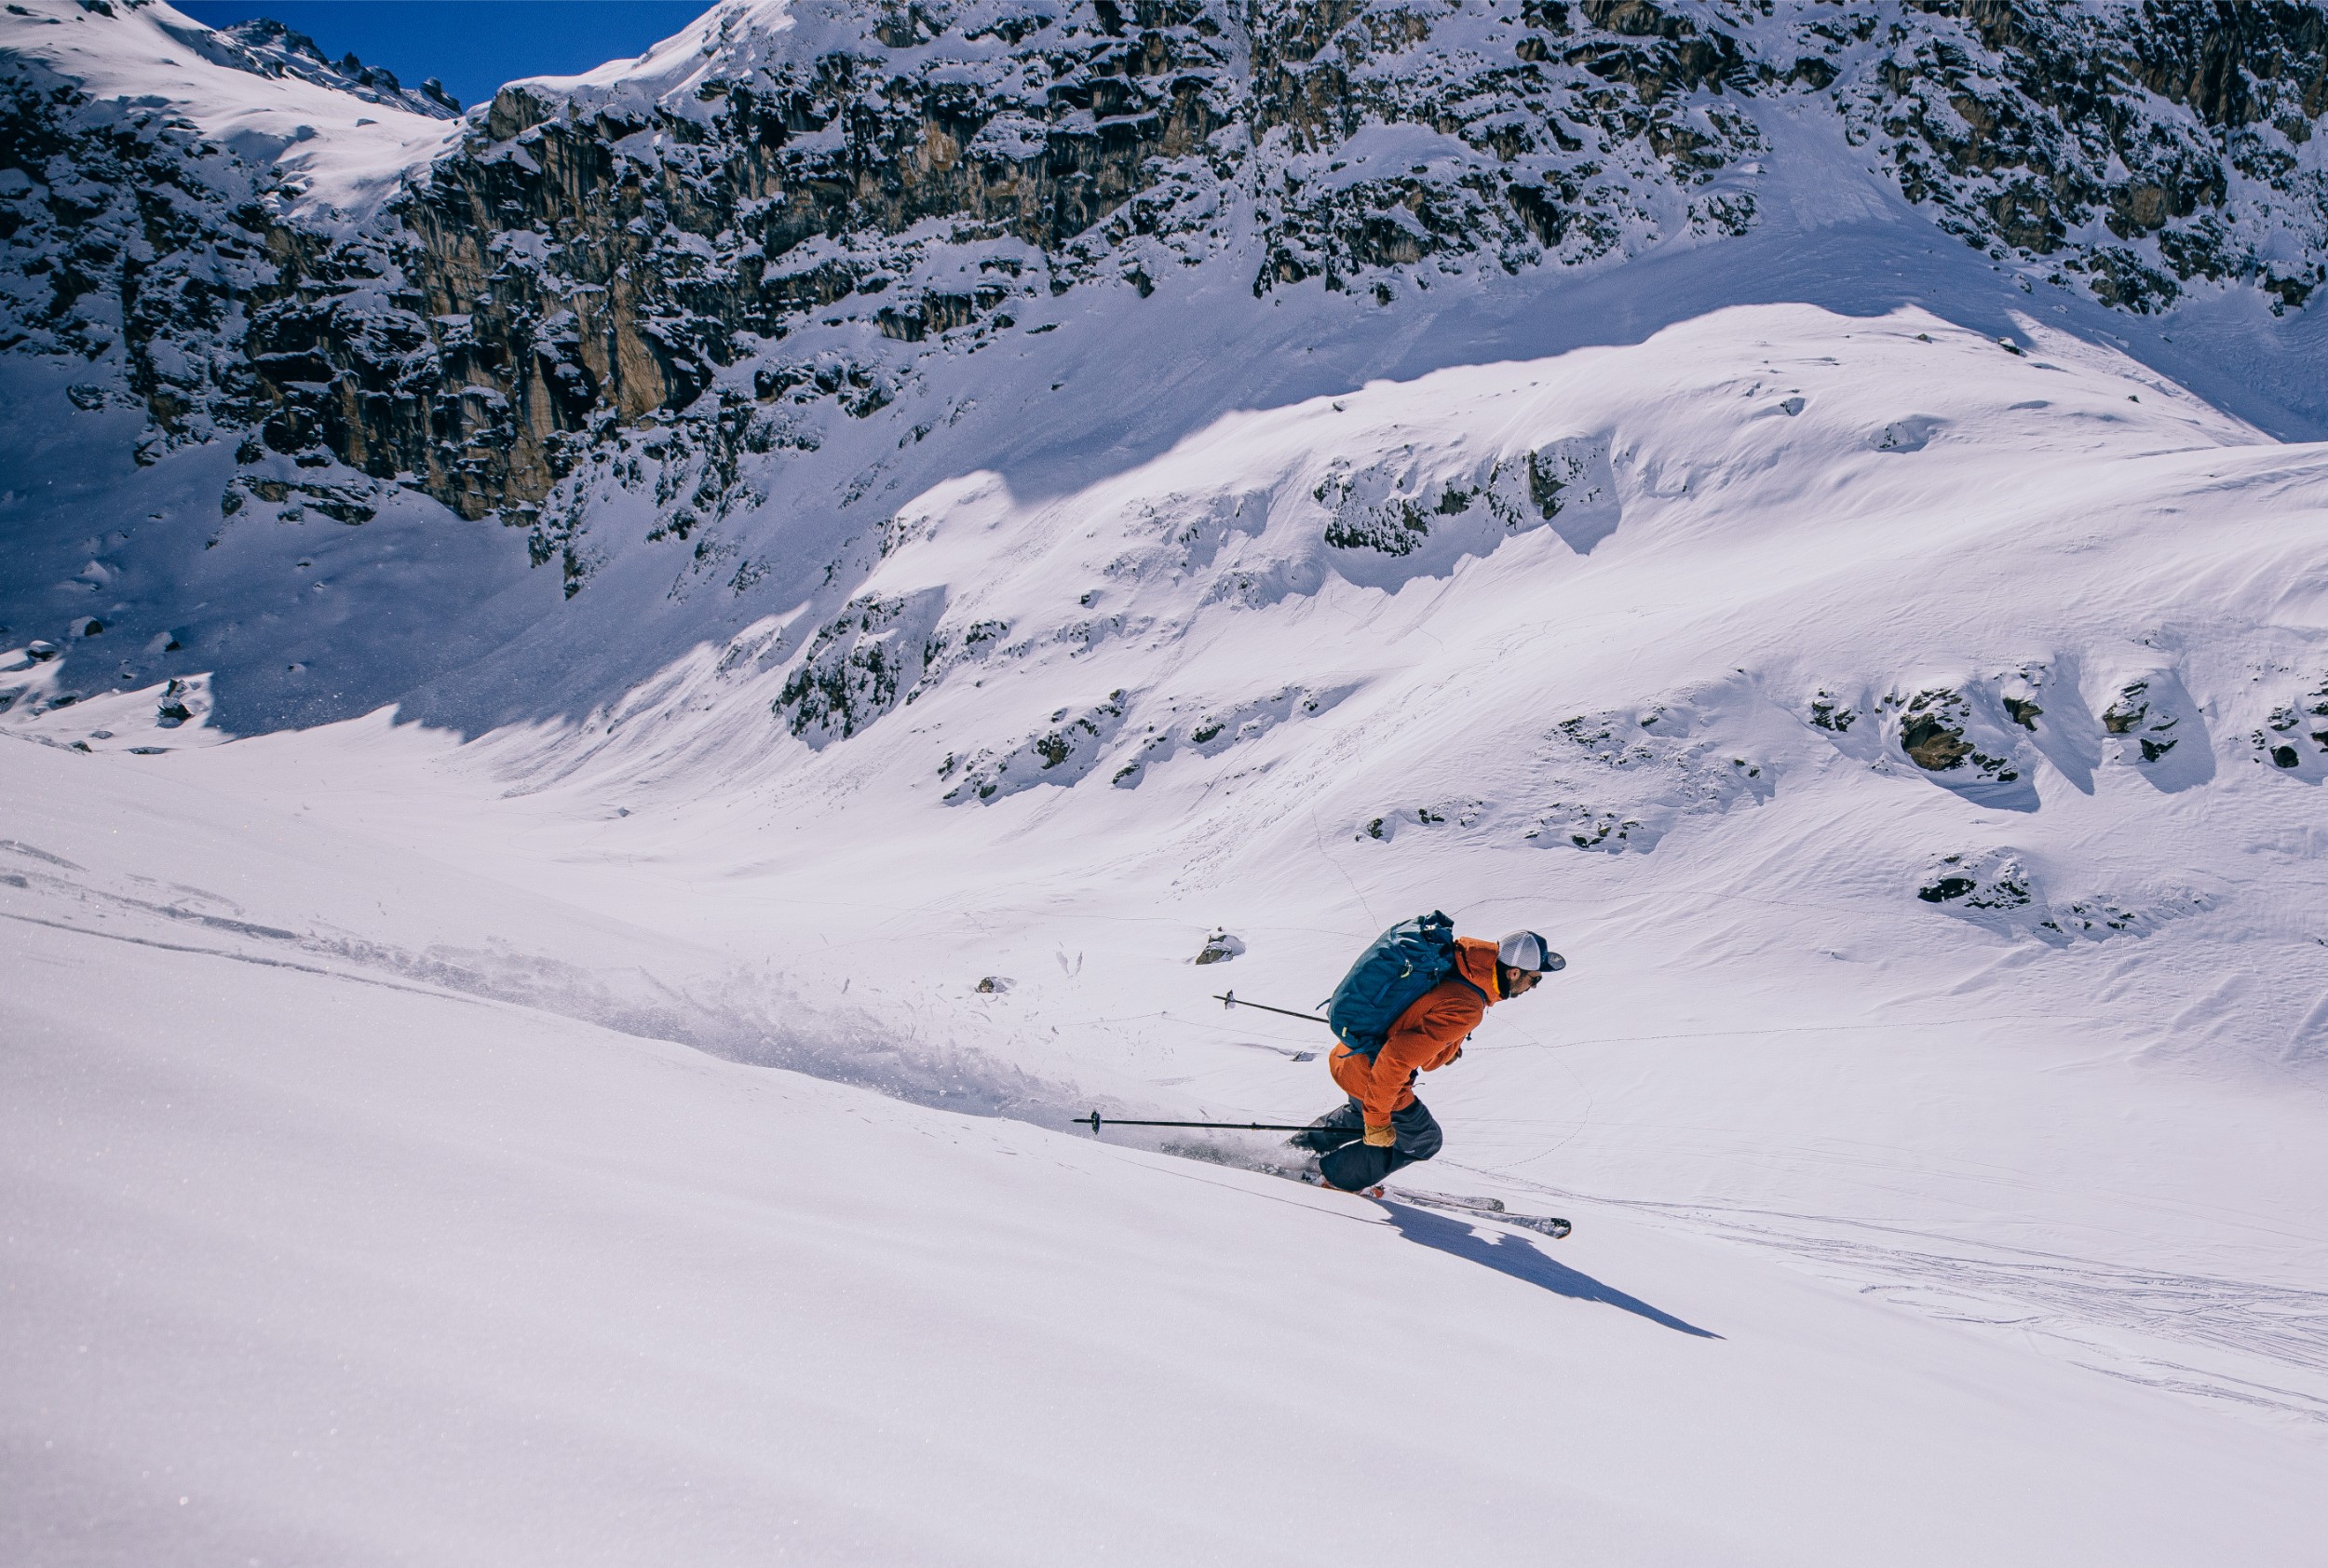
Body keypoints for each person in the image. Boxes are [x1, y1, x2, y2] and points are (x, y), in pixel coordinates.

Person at [1295, 929, 1563, 1192]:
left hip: (1350, 1054)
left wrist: (1446, 1048)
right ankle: (1335, 1176)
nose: (1533, 986)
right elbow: (1396, 1059)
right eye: (1534, 979)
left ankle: (1295, 1151)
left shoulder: (1462, 961)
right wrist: (1377, 1122)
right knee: (1423, 1139)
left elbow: (1423, 1048)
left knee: (1359, 1112)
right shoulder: (1468, 1004)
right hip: (1373, 1072)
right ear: (1514, 972)